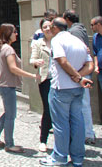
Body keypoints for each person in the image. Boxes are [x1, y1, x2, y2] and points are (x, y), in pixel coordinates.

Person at [40, 18, 93, 167]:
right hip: (77, 89)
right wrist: (79, 77)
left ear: (55, 28)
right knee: (77, 122)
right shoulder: (78, 41)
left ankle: (60, 157)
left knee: (61, 124)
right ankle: (77, 158)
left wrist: (75, 77)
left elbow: (62, 61)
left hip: (61, 88)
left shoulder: (58, 41)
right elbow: (90, 64)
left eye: (51, 27)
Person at [0, 23, 39, 153]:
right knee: (11, 115)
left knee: (8, 113)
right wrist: (31, 75)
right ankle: (9, 144)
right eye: (14, 31)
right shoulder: (8, 49)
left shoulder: (1, 47)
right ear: (8, 33)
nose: (16, 34)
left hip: (2, 84)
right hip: (7, 85)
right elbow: (13, 68)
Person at [63, 9, 96, 144]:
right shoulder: (80, 29)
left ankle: (88, 133)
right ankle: (87, 132)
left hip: (79, 73)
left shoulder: (73, 33)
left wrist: (76, 75)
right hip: (81, 72)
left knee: (83, 103)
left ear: (67, 20)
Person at [30, 19, 53, 152]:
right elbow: (32, 59)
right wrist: (36, 62)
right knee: (48, 109)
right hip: (45, 80)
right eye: (45, 27)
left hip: (59, 80)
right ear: (42, 30)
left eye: (50, 26)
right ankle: (43, 140)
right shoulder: (39, 43)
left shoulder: (58, 41)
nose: (48, 29)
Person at [91, 16, 102, 101]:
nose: (91, 27)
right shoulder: (95, 37)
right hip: (101, 71)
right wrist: (96, 66)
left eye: (92, 25)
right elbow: (95, 53)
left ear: (98, 25)